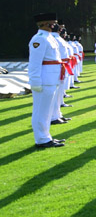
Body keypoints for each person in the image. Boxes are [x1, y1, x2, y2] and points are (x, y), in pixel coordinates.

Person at [28, 12, 66, 148]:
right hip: (44, 80)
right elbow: (34, 63)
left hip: (52, 79)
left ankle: (46, 137)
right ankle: (41, 139)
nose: (55, 25)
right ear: (44, 23)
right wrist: (35, 82)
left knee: (48, 111)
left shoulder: (49, 38)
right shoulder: (39, 39)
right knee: (40, 110)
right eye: (53, 23)